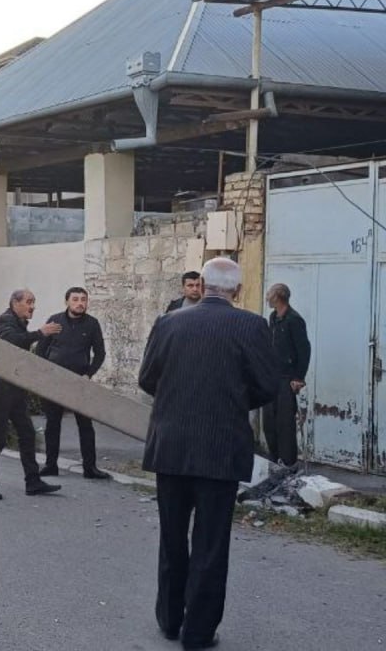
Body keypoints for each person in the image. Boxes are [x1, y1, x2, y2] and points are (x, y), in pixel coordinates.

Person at [139, 258, 279, 650]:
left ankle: (169, 620)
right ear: (237, 288)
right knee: (211, 543)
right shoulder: (252, 325)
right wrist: (234, 401)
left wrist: (180, 402)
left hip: (171, 446)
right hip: (221, 448)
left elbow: (147, 378)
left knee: (171, 537)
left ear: (201, 283)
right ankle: (198, 632)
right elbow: (269, 385)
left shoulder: (170, 322)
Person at [0, 289, 63, 500]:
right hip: (1, 388)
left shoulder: (18, 322)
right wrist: (40, 333)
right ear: (15, 303)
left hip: (15, 387)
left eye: (34, 302)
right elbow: (14, 342)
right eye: (29, 302)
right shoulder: (3, 322)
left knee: (27, 433)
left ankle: (32, 482)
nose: (32, 306)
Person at [35, 287, 110, 479]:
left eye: (83, 299)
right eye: (75, 299)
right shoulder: (55, 320)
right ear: (67, 301)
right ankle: (51, 465)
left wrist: (88, 374)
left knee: (85, 425)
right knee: (52, 424)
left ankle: (90, 468)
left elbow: (100, 353)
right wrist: (47, 374)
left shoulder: (92, 324)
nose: (80, 303)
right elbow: (41, 350)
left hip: (79, 382)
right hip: (55, 382)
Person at [263, 283, 311, 467]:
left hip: (286, 379)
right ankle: (274, 460)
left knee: (285, 423)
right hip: (271, 377)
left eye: (270, 294)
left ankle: (288, 463)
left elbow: (304, 350)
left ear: (278, 297)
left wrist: (298, 378)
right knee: (269, 422)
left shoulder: (294, 320)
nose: (267, 297)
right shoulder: (273, 317)